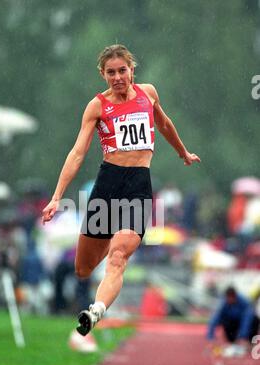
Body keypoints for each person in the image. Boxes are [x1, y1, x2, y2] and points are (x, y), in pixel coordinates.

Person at [42, 44, 201, 336]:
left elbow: (163, 124)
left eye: (122, 70)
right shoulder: (97, 106)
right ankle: (108, 243)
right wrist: (56, 197)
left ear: (132, 70)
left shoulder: (148, 93)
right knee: (83, 268)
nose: (118, 77)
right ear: (102, 74)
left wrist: (183, 152)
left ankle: (96, 310)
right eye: (111, 72)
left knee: (118, 258)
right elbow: (78, 153)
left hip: (138, 187)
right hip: (108, 186)